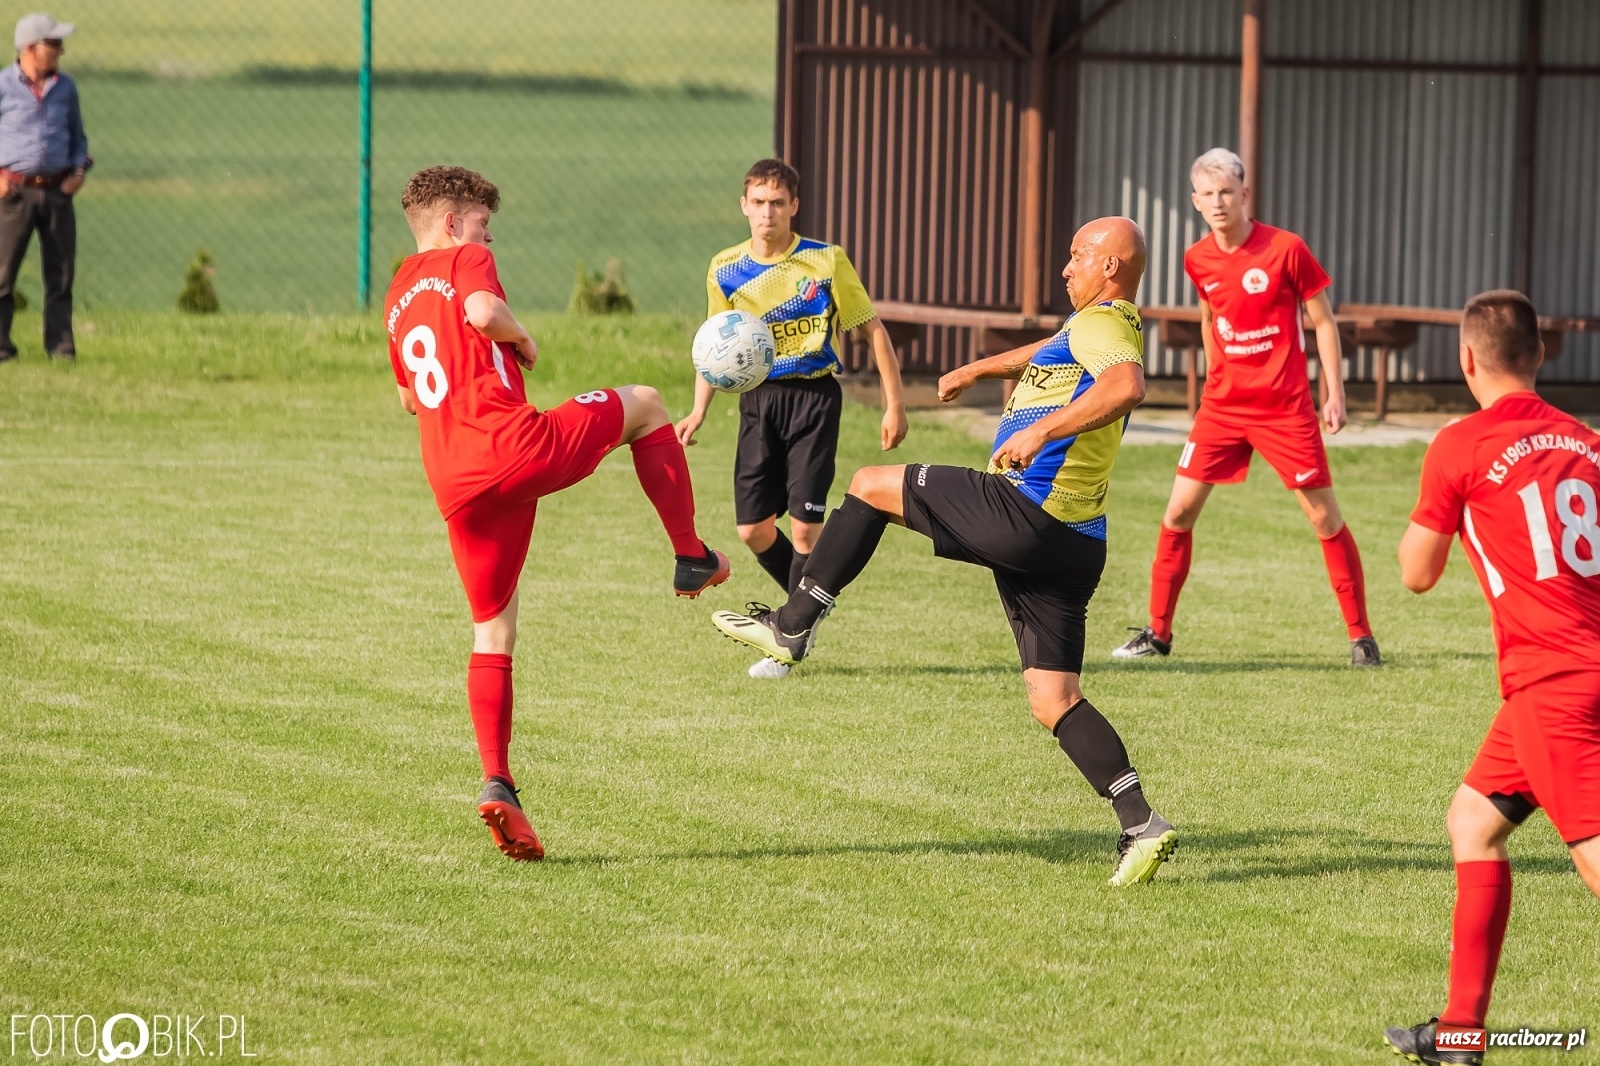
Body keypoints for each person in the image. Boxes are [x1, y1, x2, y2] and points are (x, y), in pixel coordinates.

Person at [711, 217, 1178, 886]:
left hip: (1028, 513)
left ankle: (793, 627)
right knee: (1053, 697)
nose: (1066, 267)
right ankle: (1141, 823)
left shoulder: (1106, 327)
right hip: (1077, 543)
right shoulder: (1098, 324)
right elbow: (1052, 346)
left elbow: (1125, 386)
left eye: (1079, 257)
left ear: (1111, 267)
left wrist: (1041, 431)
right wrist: (979, 368)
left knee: (871, 486)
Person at [385, 166, 728, 862]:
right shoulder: (466, 260)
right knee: (649, 403)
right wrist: (523, 339)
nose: (489, 238)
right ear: (453, 224)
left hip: (453, 482)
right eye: (483, 224)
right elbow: (482, 313)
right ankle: (691, 552)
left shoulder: (396, 296)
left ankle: (498, 780)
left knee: (493, 628)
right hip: (513, 447)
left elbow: (410, 401)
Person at [1383, 291, 1600, 1064]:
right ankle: (1461, 1034)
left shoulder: (1460, 444)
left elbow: (1415, 574)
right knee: (1474, 822)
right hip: (1575, 672)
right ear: (1541, 356)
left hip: (1553, 681)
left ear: (1465, 359)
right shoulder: (1591, 443)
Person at [1113, 148, 1378, 666]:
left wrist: (1335, 392)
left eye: (1227, 192)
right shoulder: (1197, 258)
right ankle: (1159, 633)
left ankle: (1361, 637)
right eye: (1208, 194)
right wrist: (1214, 383)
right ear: (1195, 201)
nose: (1218, 202)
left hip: (1286, 408)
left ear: (1245, 195)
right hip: (1224, 407)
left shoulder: (1287, 249)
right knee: (1178, 511)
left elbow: (1323, 322)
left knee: (1324, 518)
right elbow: (1212, 320)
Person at [675, 158, 907, 680]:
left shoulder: (825, 262)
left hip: (813, 400)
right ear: (744, 206)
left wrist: (895, 404)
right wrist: (698, 410)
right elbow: (717, 348)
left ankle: (790, 629)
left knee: (804, 529)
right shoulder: (725, 268)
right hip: (757, 402)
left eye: (778, 203)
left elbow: (870, 329)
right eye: (758, 202)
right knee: (752, 530)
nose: (767, 213)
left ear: (794, 207)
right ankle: (806, 608)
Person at [0, 12, 89, 362]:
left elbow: (78, 137)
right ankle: (2, 349)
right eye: (53, 44)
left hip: (57, 193)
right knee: (2, 274)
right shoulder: (4, 86)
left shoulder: (65, 89)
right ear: (29, 48)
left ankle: (61, 348)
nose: (60, 50)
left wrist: (78, 173)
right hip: (14, 194)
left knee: (61, 274)